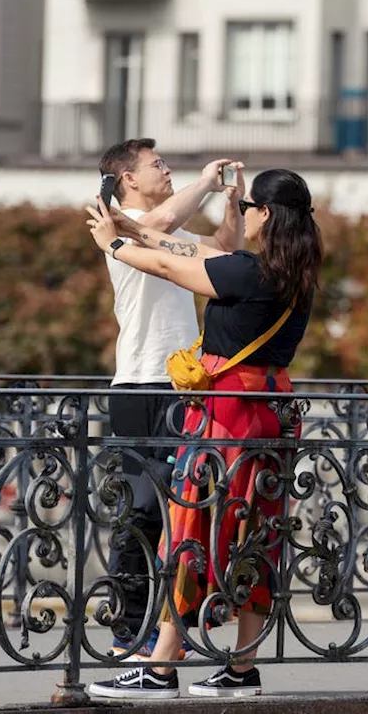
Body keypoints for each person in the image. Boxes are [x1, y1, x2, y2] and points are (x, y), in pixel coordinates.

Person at [84, 168, 323, 699]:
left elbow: (172, 266)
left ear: (264, 215)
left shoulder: (249, 273)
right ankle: (242, 668)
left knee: (192, 524)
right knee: (255, 535)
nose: (244, 216)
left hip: (227, 416)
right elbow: (183, 250)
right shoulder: (294, 274)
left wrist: (115, 244)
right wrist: (133, 228)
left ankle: (160, 666)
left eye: (248, 208)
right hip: (272, 412)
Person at [95, 138, 244, 663]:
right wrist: (204, 182)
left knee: (184, 511)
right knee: (139, 512)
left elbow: (224, 253)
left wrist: (232, 204)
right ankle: (126, 633)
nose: (167, 169)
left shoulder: (169, 225)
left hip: (181, 386)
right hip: (139, 385)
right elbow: (154, 226)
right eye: (157, 164)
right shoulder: (116, 221)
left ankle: (167, 632)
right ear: (128, 178)